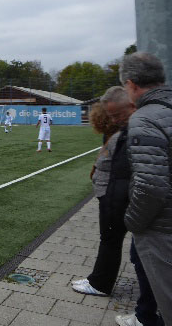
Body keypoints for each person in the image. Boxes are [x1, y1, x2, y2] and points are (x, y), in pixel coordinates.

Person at [120, 52, 172, 326]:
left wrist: (133, 222)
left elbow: (151, 187)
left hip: (163, 229)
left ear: (131, 84)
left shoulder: (145, 117)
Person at [71, 88, 134, 297]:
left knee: (110, 239)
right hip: (112, 192)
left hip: (114, 194)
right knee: (109, 239)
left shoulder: (122, 135)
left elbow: (121, 169)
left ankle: (100, 284)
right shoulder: (117, 134)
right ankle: (97, 279)